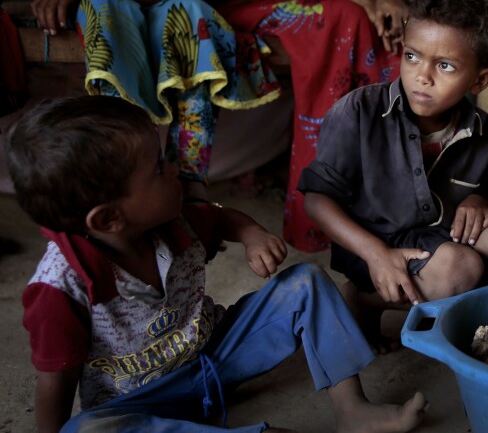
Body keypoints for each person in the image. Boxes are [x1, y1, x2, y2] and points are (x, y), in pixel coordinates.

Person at [6, 95, 427, 433]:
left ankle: (353, 410)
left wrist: (252, 235)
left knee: (306, 282)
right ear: (109, 219)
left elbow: (221, 216)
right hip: (135, 402)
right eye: (158, 168)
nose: (174, 169)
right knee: (88, 429)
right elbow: (54, 379)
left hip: (212, 359)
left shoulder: (173, 217)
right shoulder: (60, 288)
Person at [298, 0, 488, 350]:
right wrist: (375, 254)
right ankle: (364, 300)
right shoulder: (359, 112)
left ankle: (484, 327)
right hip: (373, 244)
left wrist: (478, 200)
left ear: (480, 80)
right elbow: (316, 200)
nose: (423, 76)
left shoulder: (483, 130)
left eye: (445, 66)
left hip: (440, 236)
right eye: (412, 57)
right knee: (461, 268)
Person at [30, 0, 281, 203]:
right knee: (104, 5)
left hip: (154, 2)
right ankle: (134, 178)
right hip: (99, 6)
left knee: (191, 10)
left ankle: (189, 176)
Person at [201, 0, 409, 253]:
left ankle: (388, 183)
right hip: (240, 5)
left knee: (387, 21)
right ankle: (319, 200)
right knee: (344, 16)